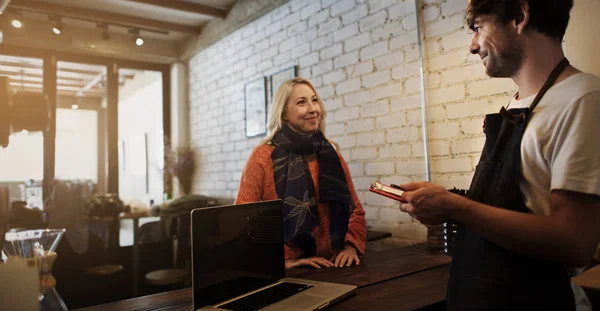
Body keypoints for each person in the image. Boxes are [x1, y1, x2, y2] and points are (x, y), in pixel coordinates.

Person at [397, 0, 600, 310]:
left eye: (478, 28)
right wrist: (445, 205)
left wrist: (457, 208)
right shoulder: (518, 104)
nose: (473, 46)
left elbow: (574, 242)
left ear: (519, 16)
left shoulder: (584, 99)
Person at [235, 77, 367, 269]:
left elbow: (355, 209)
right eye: (301, 102)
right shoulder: (262, 157)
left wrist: (350, 247)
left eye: (314, 100)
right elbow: (242, 221)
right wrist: (286, 262)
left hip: (333, 266)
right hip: (287, 270)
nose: (313, 108)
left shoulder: (331, 154)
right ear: (284, 113)